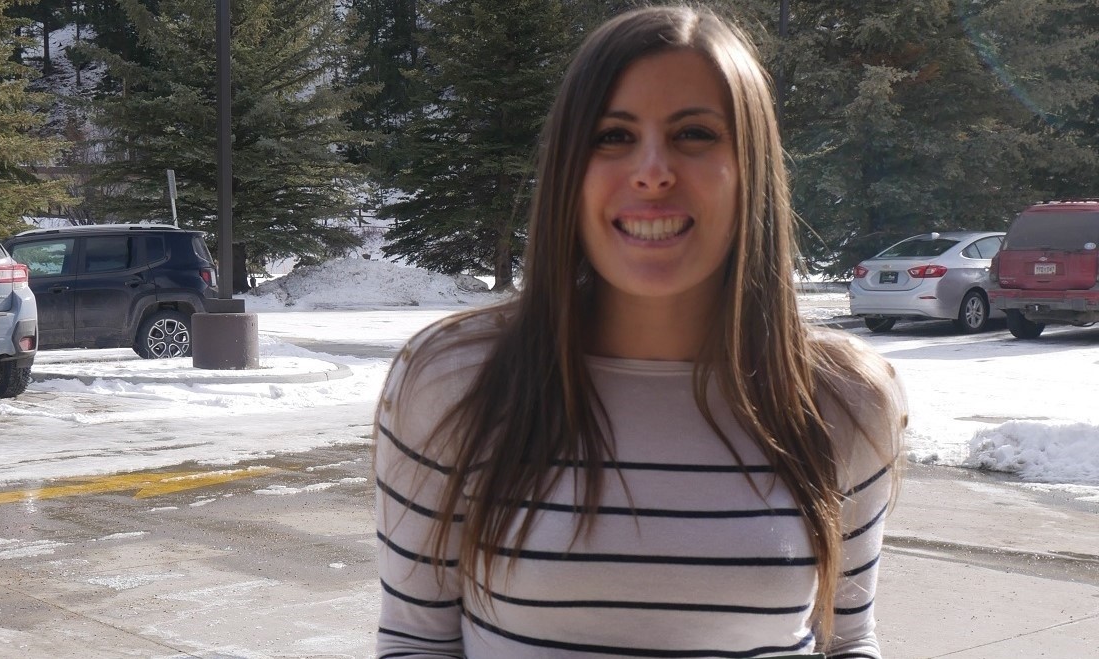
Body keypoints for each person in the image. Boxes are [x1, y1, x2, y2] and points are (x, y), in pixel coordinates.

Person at [373, 4, 906, 658]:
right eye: (613, 136)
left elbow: (847, 640)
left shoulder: (844, 399)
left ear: (752, 170)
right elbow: (415, 643)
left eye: (694, 134)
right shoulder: (453, 382)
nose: (653, 170)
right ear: (569, 171)